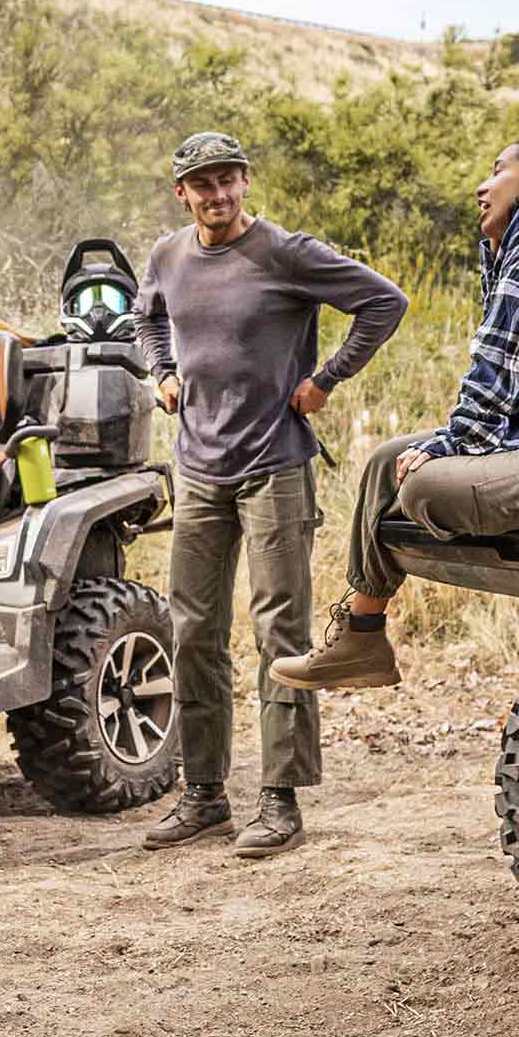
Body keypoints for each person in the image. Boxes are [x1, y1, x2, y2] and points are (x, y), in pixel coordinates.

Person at [277, 137, 519, 692]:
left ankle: (364, 631)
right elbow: (512, 380)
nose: (481, 187)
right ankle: (361, 636)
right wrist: (453, 440)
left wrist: (451, 443)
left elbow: (500, 362)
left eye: (497, 171)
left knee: (422, 486)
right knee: (383, 463)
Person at [130, 129, 406, 860]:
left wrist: (325, 380)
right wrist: (161, 373)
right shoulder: (167, 254)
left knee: (280, 632)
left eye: (229, 180)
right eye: (203, 184)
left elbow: (385, 303)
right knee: (192, 630)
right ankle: (203, 794)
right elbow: (147, 317)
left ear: (245, 182)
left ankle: (279, 800)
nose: (218, 195)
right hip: (197, 468)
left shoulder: (286, 253)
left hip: (275, 466)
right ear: (181, 192)